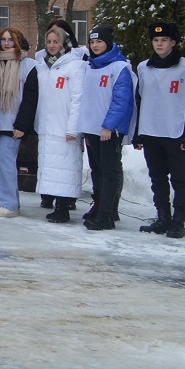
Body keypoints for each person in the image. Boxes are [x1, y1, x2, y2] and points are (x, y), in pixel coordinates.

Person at [132, 20, 185, 238]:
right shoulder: (143, 67)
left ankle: (178, 221)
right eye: (155, 40)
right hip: (151, 132)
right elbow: (140, 101)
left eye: (164, 40)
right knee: (157, 178)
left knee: (178, 179)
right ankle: (163, 218)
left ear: (174, 42)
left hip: (175, 131)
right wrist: (138, 132)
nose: (159, 44)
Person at [19, 24, 85, 222]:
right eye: (49, 42)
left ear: (64, 42)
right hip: (47, 126)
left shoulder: (75, 65)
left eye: (56, 42)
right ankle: (55, 204)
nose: (52, 45)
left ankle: (63, 207)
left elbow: (78, 98)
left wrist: (73, 127)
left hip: (65, 127)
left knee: (65, 169)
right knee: (51, 169)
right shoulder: (42, 66)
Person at [76, 25, 134, 231]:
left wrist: (109, 126)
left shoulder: (119, 67)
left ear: (108, 43)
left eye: (99, 41)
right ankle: (100, 206)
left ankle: (107, 215)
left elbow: (121, 100)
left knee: (109, 172)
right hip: (92, 129)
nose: (95, 45)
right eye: (92, 42)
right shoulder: (90, 66)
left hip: (109, 130)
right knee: (97, 170)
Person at [0, 27, 37, 217]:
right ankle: (10, 200)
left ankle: (7, 204)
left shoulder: (29, 65)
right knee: (1, 162)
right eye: (3, 40)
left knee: (5, 158)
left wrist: (21, 125)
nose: (6, 43)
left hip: (14, 124)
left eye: (11, 40)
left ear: (19, 42)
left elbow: (31, 98)